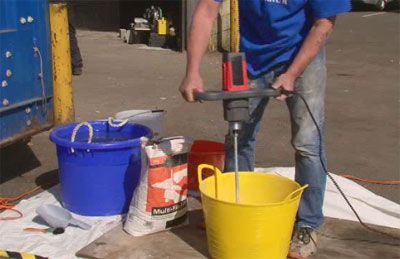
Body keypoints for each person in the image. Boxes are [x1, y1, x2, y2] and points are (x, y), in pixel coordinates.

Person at [179, 0, 351, 258]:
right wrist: (192, 71)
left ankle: (307, 224)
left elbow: (324, 23)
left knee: (307, 143)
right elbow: (205, 11)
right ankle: (235, 212)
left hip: (302, 55)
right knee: (239, 136)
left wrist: (292, 74)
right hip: (252, 58)